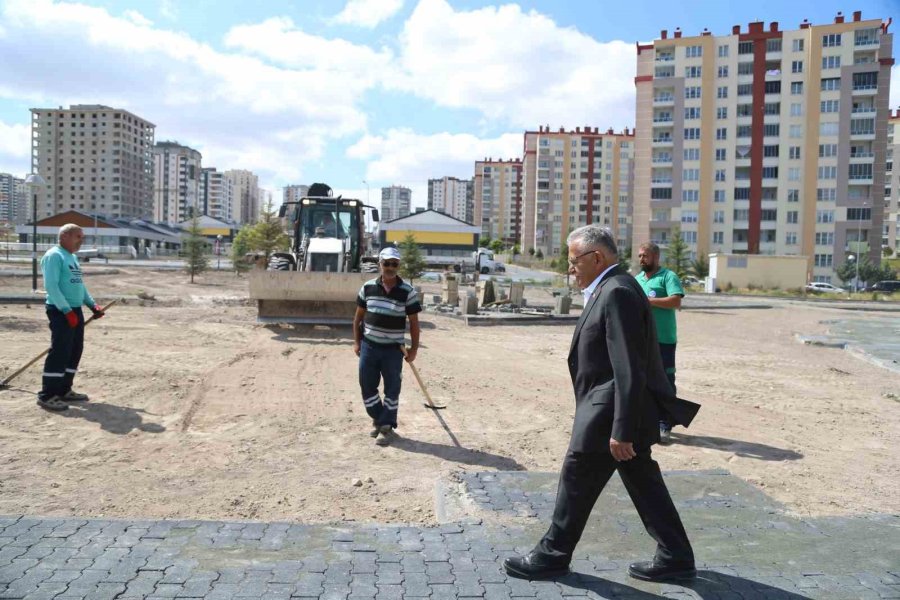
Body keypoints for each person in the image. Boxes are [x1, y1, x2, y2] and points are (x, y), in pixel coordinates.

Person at [503, 225, 700, 583]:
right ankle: (676, 555)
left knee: (577, 474)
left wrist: (621, 429)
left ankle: (552, 555)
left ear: (596, 257)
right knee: (643, 481)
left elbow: (628, 366)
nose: (570, 268)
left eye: (574, 260)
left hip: (610, 412)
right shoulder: (613, 287)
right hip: (614, 407)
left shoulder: (618, 292)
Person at [353, 246, 421, 446]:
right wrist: (357, 342)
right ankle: (378, 418)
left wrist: (414, 349)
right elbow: (358, 318)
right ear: (380, 264)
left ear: (398, 265)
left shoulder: (408, 292)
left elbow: (414, 323)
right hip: (369, 347)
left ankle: (386, 427)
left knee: (392, 389)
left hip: (393, 350)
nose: (390, 267)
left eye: (394, 264)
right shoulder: (367, 288)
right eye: (387, 263)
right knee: (367, 386)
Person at [37, 224, 105, 412]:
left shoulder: (72, 257)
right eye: (78, 237)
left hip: (74, 310)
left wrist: (92, 305)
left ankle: (64, 389)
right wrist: (66, 311)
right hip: (60, 311)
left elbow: (79, 286)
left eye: (82, 237)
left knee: (74, 350)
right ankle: (47, 395)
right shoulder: (54, 256)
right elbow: (51, 286)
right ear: (65, 236)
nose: (81, 241)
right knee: (60, 351)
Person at [635, 242, 685, 444]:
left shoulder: (668, 277)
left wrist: (649, 301)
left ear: (656, 257)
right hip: (642, 339)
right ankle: (648, 421)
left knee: (665, 380)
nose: (641, 259)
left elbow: (676, 301)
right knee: (643, 381)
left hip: (664, 340)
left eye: (645, 256)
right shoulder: (637, 279)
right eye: (640, 256)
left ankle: (665, 423)